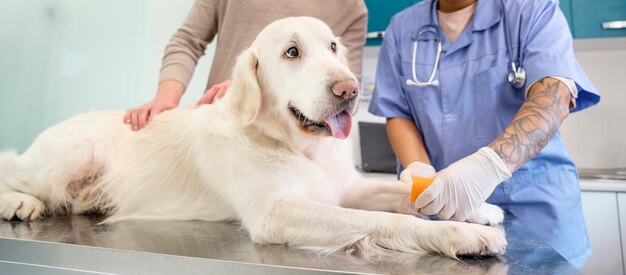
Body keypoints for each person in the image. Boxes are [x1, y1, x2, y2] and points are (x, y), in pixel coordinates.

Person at [368, 0, 600, 269]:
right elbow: (398, 113)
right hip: (444, 217)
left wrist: (489, 166)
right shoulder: (402, 27)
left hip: (535, 215)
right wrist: (419, 169)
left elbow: (555, 96)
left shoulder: (532, 9)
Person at [125, 0, 367, 130]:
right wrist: (165, 98)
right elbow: (188, 41)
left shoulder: (353, 7)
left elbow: (346, 81)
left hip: (300, 145)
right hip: (226, 124)